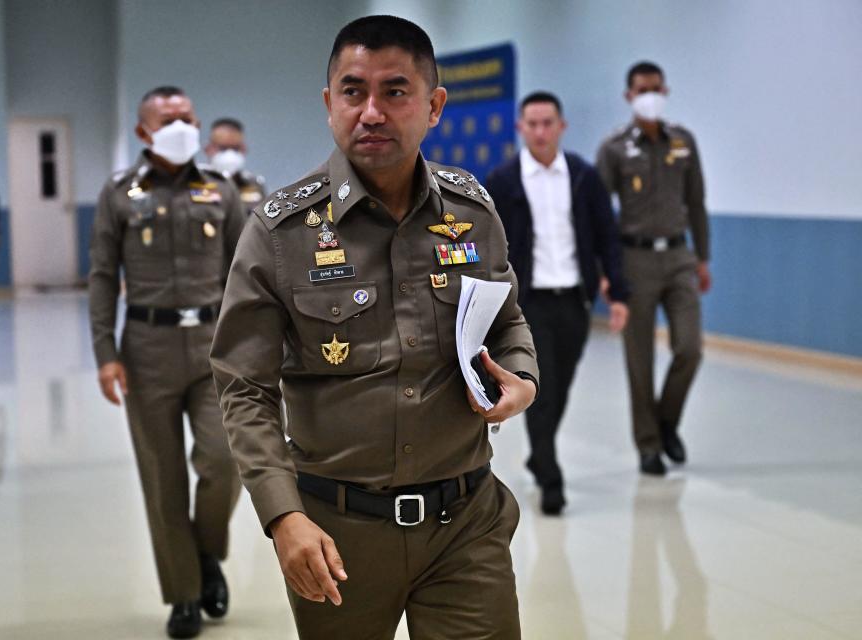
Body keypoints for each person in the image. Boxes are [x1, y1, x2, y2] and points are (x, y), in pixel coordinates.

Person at [210, 16, 538, 640]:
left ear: (434, 105)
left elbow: (507, 317)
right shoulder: (280, 232)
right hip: (338, 535)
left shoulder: (471, 211)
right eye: (354, 91)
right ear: (329, 102)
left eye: (396, 91)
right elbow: (243, 388)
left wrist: (520, 376)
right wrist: (283, 518)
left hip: (465, 523)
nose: (372, 112)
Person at [88, 87, 244, 639]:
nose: (181, 126)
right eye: (169, 119)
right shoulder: (118, 194)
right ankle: (183, 593)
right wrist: (105, 353)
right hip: (147, 350)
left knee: (225, 465)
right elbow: (104, 277)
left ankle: (205, 558)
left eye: (188, 117)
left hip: (212, 347)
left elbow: (243, 279)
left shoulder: (221, 192)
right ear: (143, 132)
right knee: (163, 479)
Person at [485, 91, 629, 515]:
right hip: (528, 304)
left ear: (561, 127)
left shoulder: (584, 176)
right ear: (520, 128)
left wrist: (618, 292)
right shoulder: (503, 181)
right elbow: (493, 248)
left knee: (562, 386)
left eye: (548, 123)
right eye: (532, 124)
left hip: (574, 299)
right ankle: (550, 476)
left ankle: (539, 452)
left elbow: (607, 236)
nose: (541, 131)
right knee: (540, 389)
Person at [596, 61, 711, 476]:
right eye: (643, 89)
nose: (651, 95)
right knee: (639, 359)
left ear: (666, 91)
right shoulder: (614, 148)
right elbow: (600, 215)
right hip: (634, 261)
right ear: (629, 96)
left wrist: (703, 258)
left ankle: (667, 422)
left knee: (690, 349)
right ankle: (648, 445)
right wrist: (605, 271)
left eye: (657, 88)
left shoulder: (683, 142)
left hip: (680, 257)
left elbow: (696, 202)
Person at [203, 118, 265, 216]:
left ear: (244, 149)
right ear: (208, 149)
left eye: (235, 149)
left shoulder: (255, 186)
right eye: (223, 148)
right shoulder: (195, 183)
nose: (229, 154)